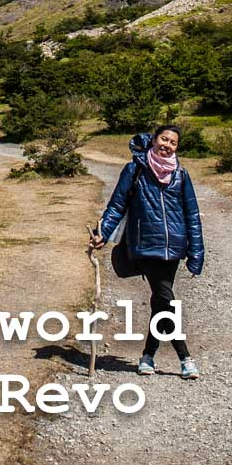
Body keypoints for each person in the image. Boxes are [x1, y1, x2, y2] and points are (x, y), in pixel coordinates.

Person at [89, 124, 205, 380]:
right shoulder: (135, 170)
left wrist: (196, 253)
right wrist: (102, 234)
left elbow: (192, 215)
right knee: (166, 299)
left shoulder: (181, 175)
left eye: (173, 143)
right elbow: (117, 205)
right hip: (146, 246)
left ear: (177, 147)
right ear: (153, 140)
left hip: (174, 248)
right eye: (164, 139)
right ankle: (185, 358)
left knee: (160, 302)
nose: (167, 145)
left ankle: (147, 356)